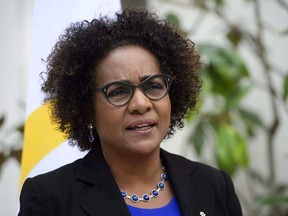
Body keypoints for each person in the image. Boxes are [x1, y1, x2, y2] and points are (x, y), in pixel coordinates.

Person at [18, 8, 242, 216]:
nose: (141, 103)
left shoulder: (214, 186)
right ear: (87, 108)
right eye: (118, 92)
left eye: (154, 86)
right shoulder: (48, 198)